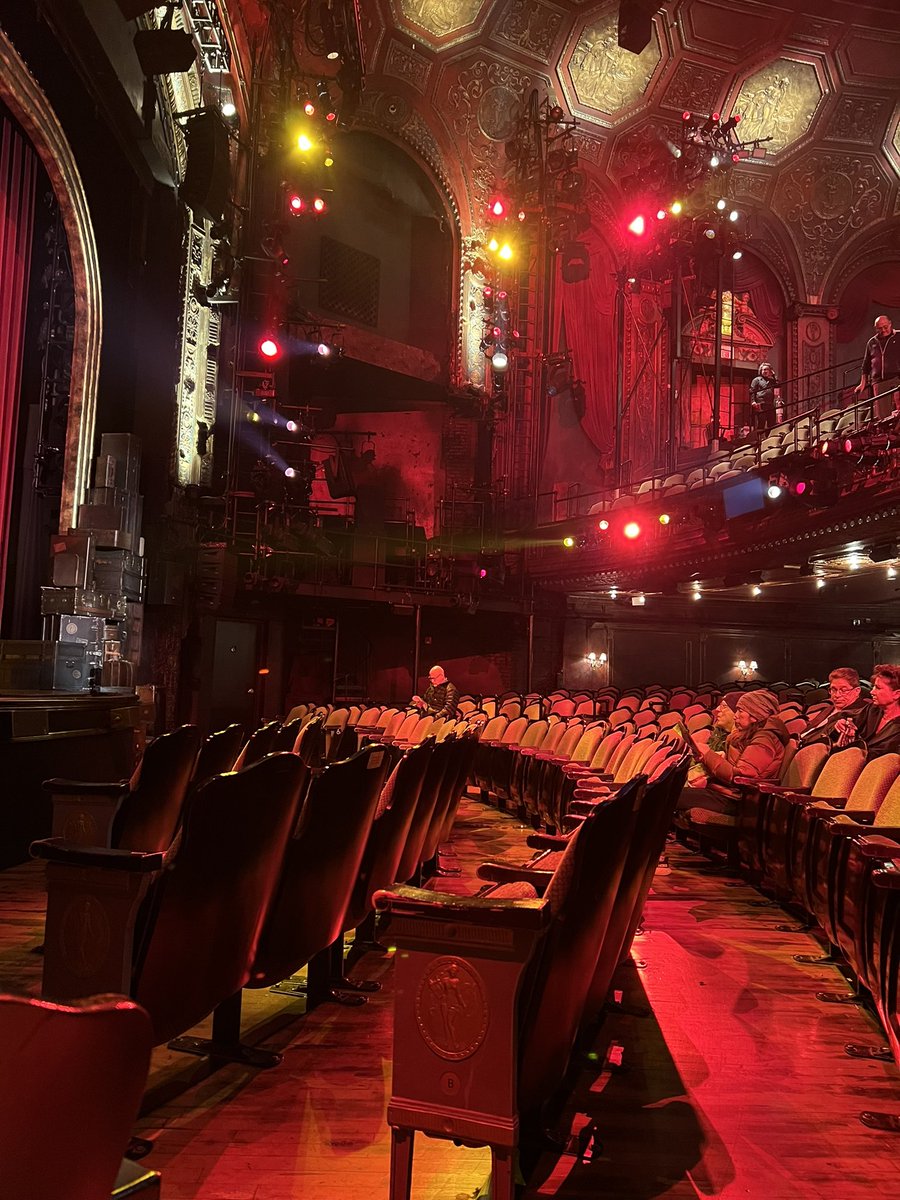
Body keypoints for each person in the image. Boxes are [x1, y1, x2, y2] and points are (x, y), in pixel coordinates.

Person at [677, 690, 789, 816]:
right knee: (666, 794)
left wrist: (708, 754)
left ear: (755, 714)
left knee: (667, 797)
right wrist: (715, 758)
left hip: (740, 802)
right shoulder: (751, 735)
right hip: (729, 794)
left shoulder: (765, 740)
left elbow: (742, 776)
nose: (735, 716)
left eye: (740, 711)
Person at [833, 664, 900, 759]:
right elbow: (847, 717)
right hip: (851, 763)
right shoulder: (872, 709)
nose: (872, 692)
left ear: (897, 694)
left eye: (878, 688)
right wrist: (843, 723)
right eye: (873, 687)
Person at [798, 667, 870, 747]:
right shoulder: (829, 708)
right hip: (800, 742)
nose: (837, 695)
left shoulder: (860, 712)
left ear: (857, 691)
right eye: (833, 689)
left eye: (843, 690)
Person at [856, 314, 900, 420]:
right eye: (880, 328)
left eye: (885, 327)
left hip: (897, 378)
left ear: (890, 324)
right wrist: (863, 383)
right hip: (879, 381)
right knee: (883, 415)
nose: (883, 330)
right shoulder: (872, 342)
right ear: (876, 328)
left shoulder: (898, 336)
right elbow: (866, 364)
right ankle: (887, 435)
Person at [749, 363, 778, 434]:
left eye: (767, 370)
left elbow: (778, 385)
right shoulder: (756, 380)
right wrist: (753, 401)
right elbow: (752, 391)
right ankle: (759, 439)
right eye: (764, 369)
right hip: (761, 404)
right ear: (761, 370)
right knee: (761, 422)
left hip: (770, 404)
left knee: (771, 423)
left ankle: (769, 438)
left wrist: (774, 375)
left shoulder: (771, 381)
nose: (765, 371)